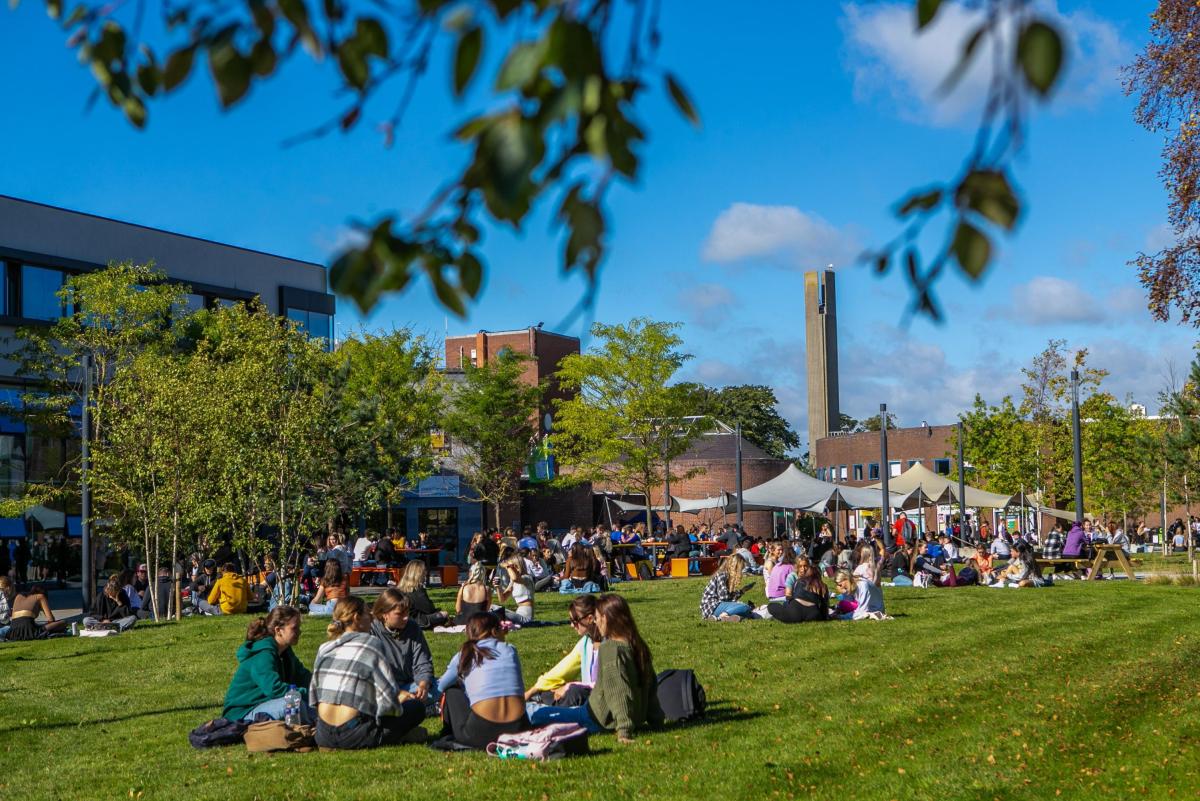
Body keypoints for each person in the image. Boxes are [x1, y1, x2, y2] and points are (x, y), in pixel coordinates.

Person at [526, 593, 664, 743]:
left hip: (597, 718)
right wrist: (656, 720)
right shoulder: (637, 645)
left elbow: (618, 692)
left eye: (597, 618)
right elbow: (650, 687)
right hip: (614, 715)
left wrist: (624, 731)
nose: (596, 622)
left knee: (535, 714)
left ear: (606, 619)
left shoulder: (611, 649)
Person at [312, 596, 427, 749]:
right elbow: (388, 705)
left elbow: (314, 696)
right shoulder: (371, 644)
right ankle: (405, 735)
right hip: (354, 733)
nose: (372, 618)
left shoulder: (324, 648)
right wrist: (399, 699)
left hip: (323, 734)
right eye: (368, 613)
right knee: (416, 708)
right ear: (356, 617)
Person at [436, 612, 530, 749]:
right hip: (519, 729)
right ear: (494, 631)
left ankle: (447, 732)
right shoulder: (510, 650)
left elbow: (442, 685)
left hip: (480, 734)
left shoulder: (463, 655)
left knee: (452, 690)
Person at [222, 605, 313, 722]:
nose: (299, 631)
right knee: (294, 703)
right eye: (295, 628)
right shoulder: (263, 655)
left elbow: (303, 676)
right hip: (242, 713)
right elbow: (274, 689)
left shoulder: (285, 652)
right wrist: (308, 693)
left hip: (266, 704)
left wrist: (321, 688)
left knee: (319, 706)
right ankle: (304, 731)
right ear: (278, 630)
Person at [524, 594, 601, 707]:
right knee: (551, 689)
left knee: (574, 692)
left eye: (574, 620)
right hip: (588, 694)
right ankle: (545, 702)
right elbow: (562, 670)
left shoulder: (610, 644)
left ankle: (549, 708)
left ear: (590, 619)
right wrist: (532, 690)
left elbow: (606, 685)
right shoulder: (586, 643)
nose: (571, 625)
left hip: (602, 698)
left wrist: (570, 686)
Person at [369, 589, 437, 706]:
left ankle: (414, 704)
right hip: (384, 690)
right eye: (400, 614)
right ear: (384, 614)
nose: (406, 617)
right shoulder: (371, 631)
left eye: (407, 612)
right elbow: (371, 673)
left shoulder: (413, 627)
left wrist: (423, 684)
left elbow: (423, 662)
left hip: (411, 686)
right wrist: (396, 692)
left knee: (444, 685)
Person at [767, 559, 830, 624]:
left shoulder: (799, 581)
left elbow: (791, 596)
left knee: (771, 606)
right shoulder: (823, 586)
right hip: (813, 613)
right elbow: (824, 606)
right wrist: (824, 617)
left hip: (795, 611)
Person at [699, 553, 754, 621]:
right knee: (745, 607)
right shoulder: (722, 575)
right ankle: (721, 616)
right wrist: (736, 603)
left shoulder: (726, 576)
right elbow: (723, 598)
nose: (741, 571)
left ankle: (725, 618)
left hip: (718, 606)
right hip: (712, 607)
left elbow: (728, 596)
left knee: (747, 612)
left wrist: (742, 591)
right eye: (741, 568)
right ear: (735, 566)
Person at [396, 561, 449, 629]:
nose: (426, 573)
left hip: (402, 619)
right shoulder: (417, 590)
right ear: (419, 574)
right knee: (444, 614)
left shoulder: (400, 589)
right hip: (417, 621)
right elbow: (429, 609)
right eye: (424, 571)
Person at [493, 556, 535, 624]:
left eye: (510, 567)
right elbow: (502, 599)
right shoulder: (513, 582)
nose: (508, 570)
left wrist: (507, 566)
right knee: (492, 608)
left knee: (496, 610)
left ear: (517, 566)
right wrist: (498, 587)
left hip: (526, 617)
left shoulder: (527, 578)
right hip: (518, 613)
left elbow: (515, 578)